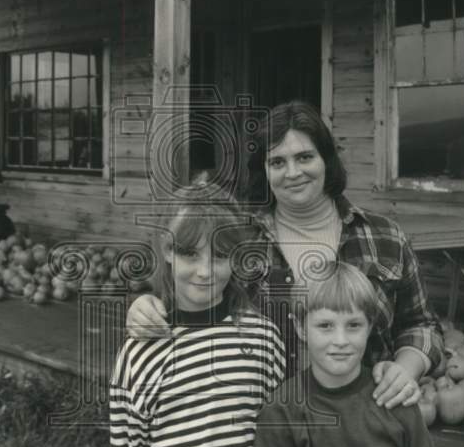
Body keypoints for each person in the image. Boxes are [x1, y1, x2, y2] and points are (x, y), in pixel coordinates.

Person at [127, 100, 443, 409]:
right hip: (264, 431)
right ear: (263, 171)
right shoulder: (237, 241)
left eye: (305, 157)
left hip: (365, 425)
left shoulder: (385, 237)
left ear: (326, 160)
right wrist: (146, 307)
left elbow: (421, 324)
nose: (292, 172)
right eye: (277, 162)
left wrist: (406, 367)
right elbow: (191, 302)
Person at [108, 182, 286, 447]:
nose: (205, 271)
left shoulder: (263, 338)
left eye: (218, 255)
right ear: (167, 250)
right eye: (190, 254)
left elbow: (277, 436)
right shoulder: (140, 352)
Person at [252, 261, 440, 447]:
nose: (340, 341)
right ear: (301, 328)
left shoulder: (395, 400)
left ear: (369, 327)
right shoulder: (281, 411)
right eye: (325, 326)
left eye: (353, 325)